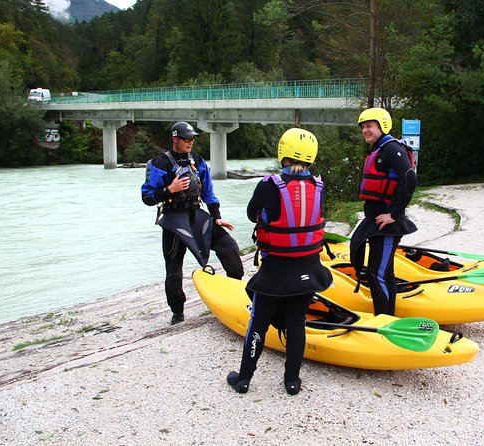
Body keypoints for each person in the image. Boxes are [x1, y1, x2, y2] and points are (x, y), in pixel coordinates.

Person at [226, 128, 332, 396]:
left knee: (258, 322)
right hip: (308, 268)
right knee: (297, 322)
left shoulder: (268, 185)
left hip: (275, 271)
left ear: (283, 151)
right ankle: (292, 381)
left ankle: (244, 379)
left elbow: (252, 214)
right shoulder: (319, 186)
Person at [141, 121, 244, 325]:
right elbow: (147, 197)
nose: (190, 142)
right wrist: (170, 189)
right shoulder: (158, 164)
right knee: (173, 269)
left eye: (192, 139)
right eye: (186, 139)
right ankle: (177, 312)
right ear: (175, 139)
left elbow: (208, 191)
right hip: (174, 220)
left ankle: (234, 292)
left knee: (229, 247)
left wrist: (216, 216)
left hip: (197, 216)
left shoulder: (197, 161)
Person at [349, 107, 418, 316]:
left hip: (387, 225)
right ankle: (388, 318)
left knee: (377, 274)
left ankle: (384, 321)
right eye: (363, 127)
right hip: (376, 223)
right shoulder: (379, 149)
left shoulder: (390, 148)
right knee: (385, 273)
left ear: (382, 126)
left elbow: (410, 177)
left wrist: (394, 215)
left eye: (369, 126)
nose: (365, 130)